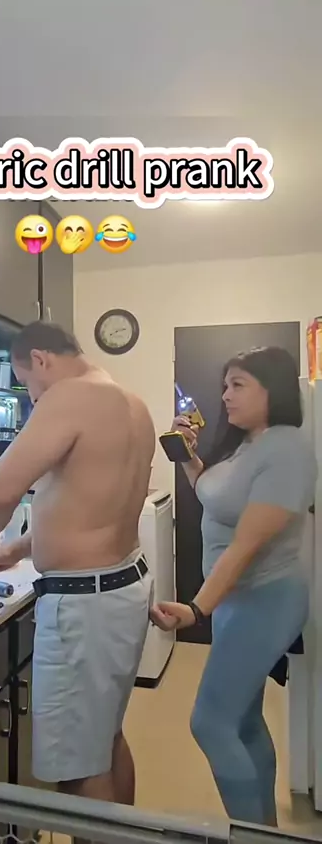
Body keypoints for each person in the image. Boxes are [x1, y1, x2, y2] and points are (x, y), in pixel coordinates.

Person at [0, 321, 155, 807]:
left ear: (41, 359)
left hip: (84, 606)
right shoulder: (131, 404)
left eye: (27, 382)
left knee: (78, 766)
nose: (32, 396)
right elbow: (94, 505)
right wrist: (20, 547)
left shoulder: (69, 396)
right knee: (105, 738)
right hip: (120, 587)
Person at [151, 346, 317, 827]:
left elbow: (246, 545)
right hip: (234, 600)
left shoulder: (286, 450)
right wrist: (188, 458)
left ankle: (252, 835)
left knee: (210, 722)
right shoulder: (247, 444)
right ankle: (264, 829)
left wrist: (196, 609)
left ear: (273, 389)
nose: (225, 395)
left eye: (238, 384)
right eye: (225, 385)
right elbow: (216, 496)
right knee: (242, 718)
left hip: (264, 599)